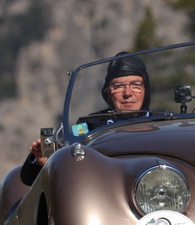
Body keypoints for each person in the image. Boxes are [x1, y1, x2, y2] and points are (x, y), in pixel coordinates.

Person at [20, 52, 150, 185]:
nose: (127, 93)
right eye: (118, 86)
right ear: (108, 92)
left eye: (136, 85)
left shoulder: (165, 121)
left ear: (146, 90)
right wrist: (49, 162)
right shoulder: (89, 125)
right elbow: (29, 178)